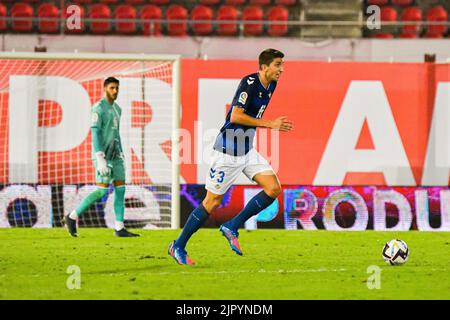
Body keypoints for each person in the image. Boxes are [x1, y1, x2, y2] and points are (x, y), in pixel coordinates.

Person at [169, 49, 293, 265]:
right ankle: (178, 245)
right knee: (212, 202)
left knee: (273, 188)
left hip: (246, 150)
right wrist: (270, 124)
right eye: (277, 65)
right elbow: (235, 115)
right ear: (264, 67)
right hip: (227, 152)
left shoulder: (271, 85)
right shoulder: (250, 83)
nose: (281, 69)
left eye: (282, 65)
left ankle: (232, 226)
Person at [65, 77, 139, 238]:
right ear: (105, 88)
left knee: (121, 189)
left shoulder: (118, 109)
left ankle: (119, 228)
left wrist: (120, 152)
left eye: (117, 88)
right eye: (112, 88)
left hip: (116, 156)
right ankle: (72, 216)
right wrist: (100, 158)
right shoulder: (98, 108)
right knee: (101, 191)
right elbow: (96, 133)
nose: (115, 91)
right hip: (103, 157)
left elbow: (115, 133)